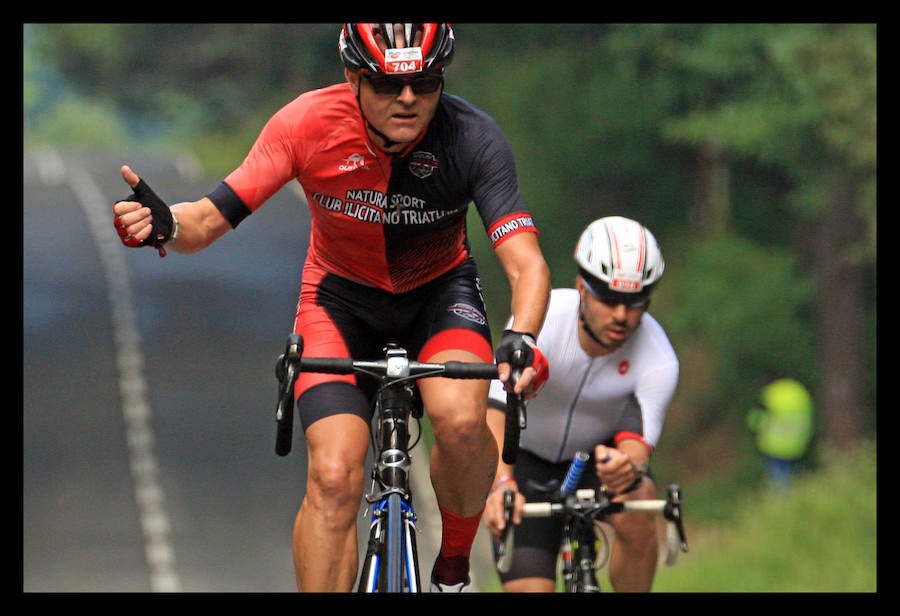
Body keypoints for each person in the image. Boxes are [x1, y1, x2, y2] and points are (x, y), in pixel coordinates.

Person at [111, 23, 551, 592]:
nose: (410, 99)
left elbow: (527, 264)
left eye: (425, 82)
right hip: (339, 301)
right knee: (335, 476)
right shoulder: (306, 125)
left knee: (464, 423)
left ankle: (453, 569)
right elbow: (209, 220)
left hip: (439, 297)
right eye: (389, 86)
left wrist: (523, 337)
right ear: (353, 78)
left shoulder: (472, 137)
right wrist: (165, 222)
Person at [482, 216, 679, 593]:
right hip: (524, 460)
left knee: (640, 498)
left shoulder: (659, 356)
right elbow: (496, 409)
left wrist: (627, 469)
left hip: (595, 461)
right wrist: (501, 483)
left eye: (634, 301)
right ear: (581, 288)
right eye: (608, 297)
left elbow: (637, 445)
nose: (621, 314)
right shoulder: (544, 318)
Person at [746, 376, 814, 489]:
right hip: (799, 444)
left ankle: (783, 503)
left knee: (779, 483)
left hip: (775, 447)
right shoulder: (798, 391)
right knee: (797, 479)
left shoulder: (770, 394)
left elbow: (756, 420)